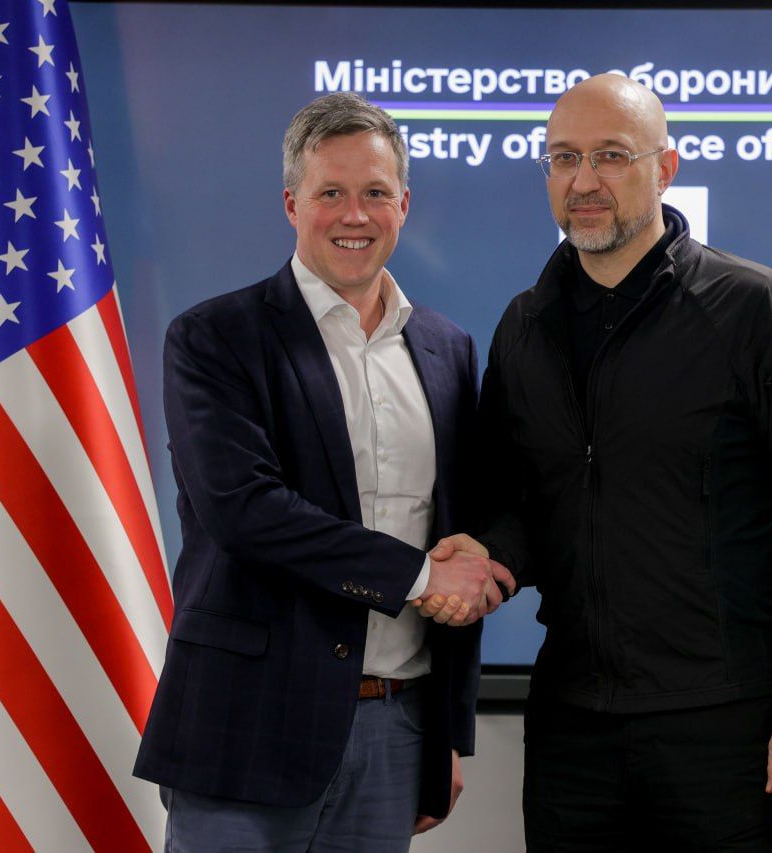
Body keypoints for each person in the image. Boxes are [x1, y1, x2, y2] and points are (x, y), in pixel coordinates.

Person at [429, 74, 772, 851]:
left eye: (611, 155)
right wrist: (490, 551)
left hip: (727, 729)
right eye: (563, 158)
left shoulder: (761, 313)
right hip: (573, 729)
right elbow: (517, 503)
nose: (584, 180)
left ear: (665, 168)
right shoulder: (525, 327)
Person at [134, 92, 512, 851]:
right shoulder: (215, 338)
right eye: (330, 192)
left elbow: (459, 518)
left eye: (375, 192)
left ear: (404, 204)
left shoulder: (447, 346)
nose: (355, 214)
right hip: (247, 728)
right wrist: (418, 577)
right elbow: (245, 510)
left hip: (396, 730)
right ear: (290, 203)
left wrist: (444, 727)